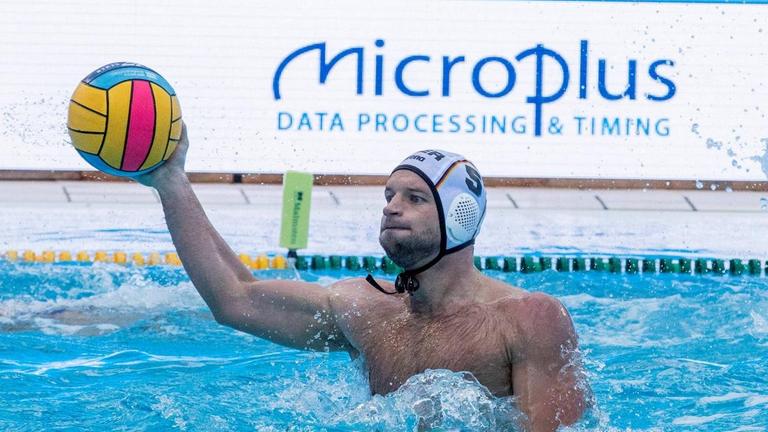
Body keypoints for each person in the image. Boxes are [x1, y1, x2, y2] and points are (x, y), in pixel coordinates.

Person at [136, 124, 588, 431]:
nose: (391, 206)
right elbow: (234, 299)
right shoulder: (364, 310)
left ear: (460, 216)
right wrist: (171, 181)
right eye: (389, 195)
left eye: (414, 198)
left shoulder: (527, 319)